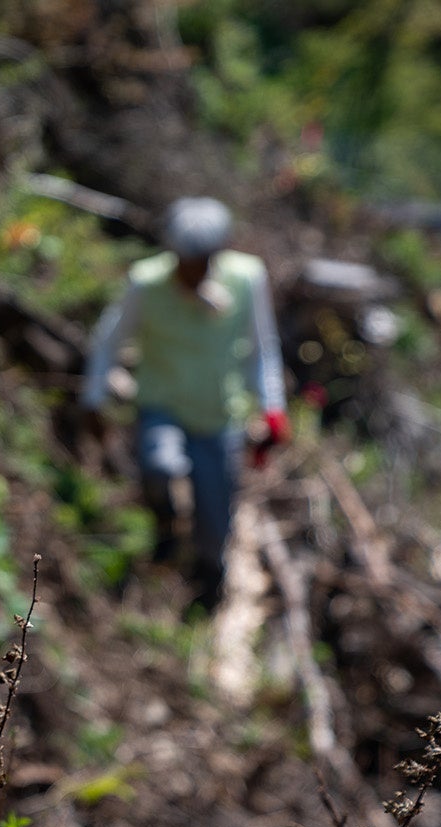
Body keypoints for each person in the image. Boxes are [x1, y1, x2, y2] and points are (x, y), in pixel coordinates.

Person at [81, 196, 289, 612]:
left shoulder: (246, 279)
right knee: (161, 464)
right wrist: (93, 398)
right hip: (162, 406)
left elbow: (260, 349)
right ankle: (164, 523)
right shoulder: (147, 283)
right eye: (183, 260)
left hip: (218, 416)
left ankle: (208, 585)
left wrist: (272, 409)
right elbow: (110, 342)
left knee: (216, 518)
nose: (190, 270)